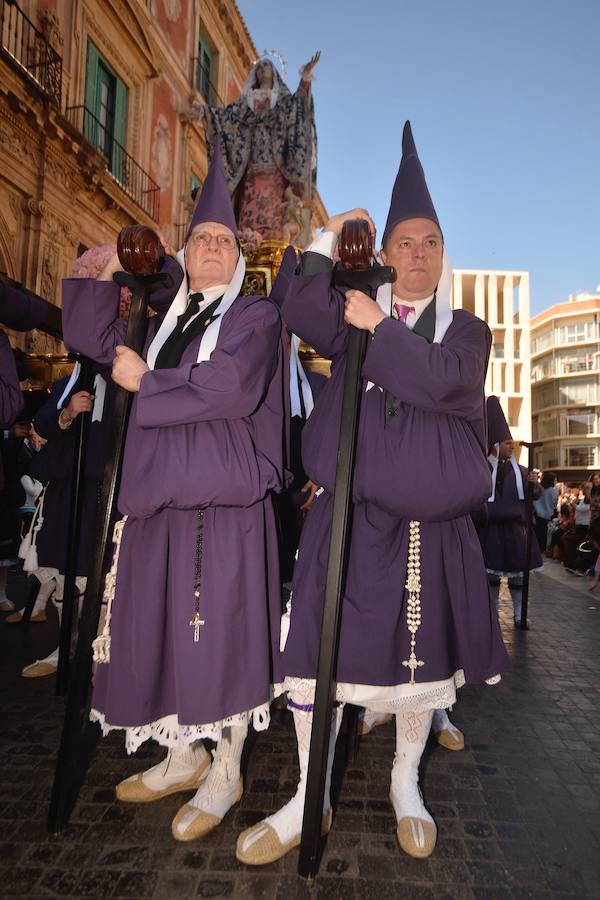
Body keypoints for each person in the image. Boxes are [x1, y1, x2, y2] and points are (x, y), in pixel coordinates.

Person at [236, 121, 508, 865]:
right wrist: (326, 238)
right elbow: (297, 310)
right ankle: (307, 794)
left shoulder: (468, 329)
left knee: (417, 668)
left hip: (430, 527)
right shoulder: (353, 305)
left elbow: (445, 382)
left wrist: (376, 329)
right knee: (312, 655)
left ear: (441, 255)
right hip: (346, 515)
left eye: (431, 243)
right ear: (386, 253)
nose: (418, 255)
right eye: (405, 243)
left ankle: (403, 782)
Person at [61, 146, 287, 843]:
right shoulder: (157, 318)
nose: (213, 250)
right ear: (186, 255)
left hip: (225, 507)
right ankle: (181, 754)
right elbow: (84, 334)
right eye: (201, 242)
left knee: (222, 638)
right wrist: (107, 266)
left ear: (237, 257)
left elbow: (230, 388)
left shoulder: (254, 318)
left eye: (223, 241)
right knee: (161, 631)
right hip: (158, 499)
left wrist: (143, 384)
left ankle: (226, 767)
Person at [193, 54, 319, 242]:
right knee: (248, 212)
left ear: (274, 73)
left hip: (275, 174)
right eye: (259, 68)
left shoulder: (283, 102)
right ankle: (248, 245)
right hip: (250, 173)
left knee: (274, 215)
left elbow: (299, 106)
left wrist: (306, 77)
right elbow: (225, 117)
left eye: (266, 66)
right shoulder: (245, 104)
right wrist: (204, 112)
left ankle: (274, 252)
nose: (262, 70)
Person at [479, 396, 543, 625]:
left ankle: (519, 615)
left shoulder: (523, 471)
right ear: (495, 444)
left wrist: (535, 485)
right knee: (491, 577)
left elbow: (535, 495)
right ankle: (492, 616)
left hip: (517, 532)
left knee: (518, 579)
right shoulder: (482, 468)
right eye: (507, 442)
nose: (511, 446)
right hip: (492, 532)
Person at [533, 471, 559, 553]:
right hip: (546, 516)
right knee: (543, 535)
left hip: (535, 514)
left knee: (536, 535)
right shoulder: (553, 491)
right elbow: (554, 504)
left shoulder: (539, 488)